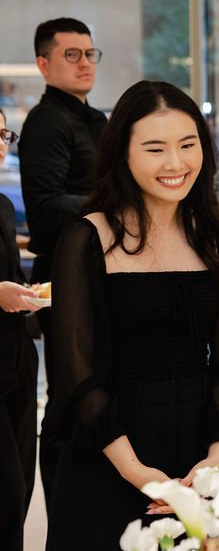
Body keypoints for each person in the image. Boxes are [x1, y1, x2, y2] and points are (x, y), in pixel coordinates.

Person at [43, 81, 219, 549]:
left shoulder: (214, 237)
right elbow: (77, 372)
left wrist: (217, 458)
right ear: (122, 154)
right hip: (109, 450)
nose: (176, 163)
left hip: (199, 451)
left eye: (188, 145)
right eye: (155, 148)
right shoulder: (88, 238)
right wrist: (136, 471)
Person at [21, 16, 108, 508]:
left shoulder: (94, 119)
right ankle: (64, 507)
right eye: (71, 54)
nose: (83, 63)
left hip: (99, 272)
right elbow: (45, 205)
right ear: (44, 64)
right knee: (68, 394)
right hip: (64, 275)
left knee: (96, 387)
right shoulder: (47, 121)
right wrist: (111, 202)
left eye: (89, 53)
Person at [0, 112, 43, 551]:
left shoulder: (4, 206)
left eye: (2, 133)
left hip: (16, 360)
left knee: (21, 493)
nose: (0, 143)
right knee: (7, 496)